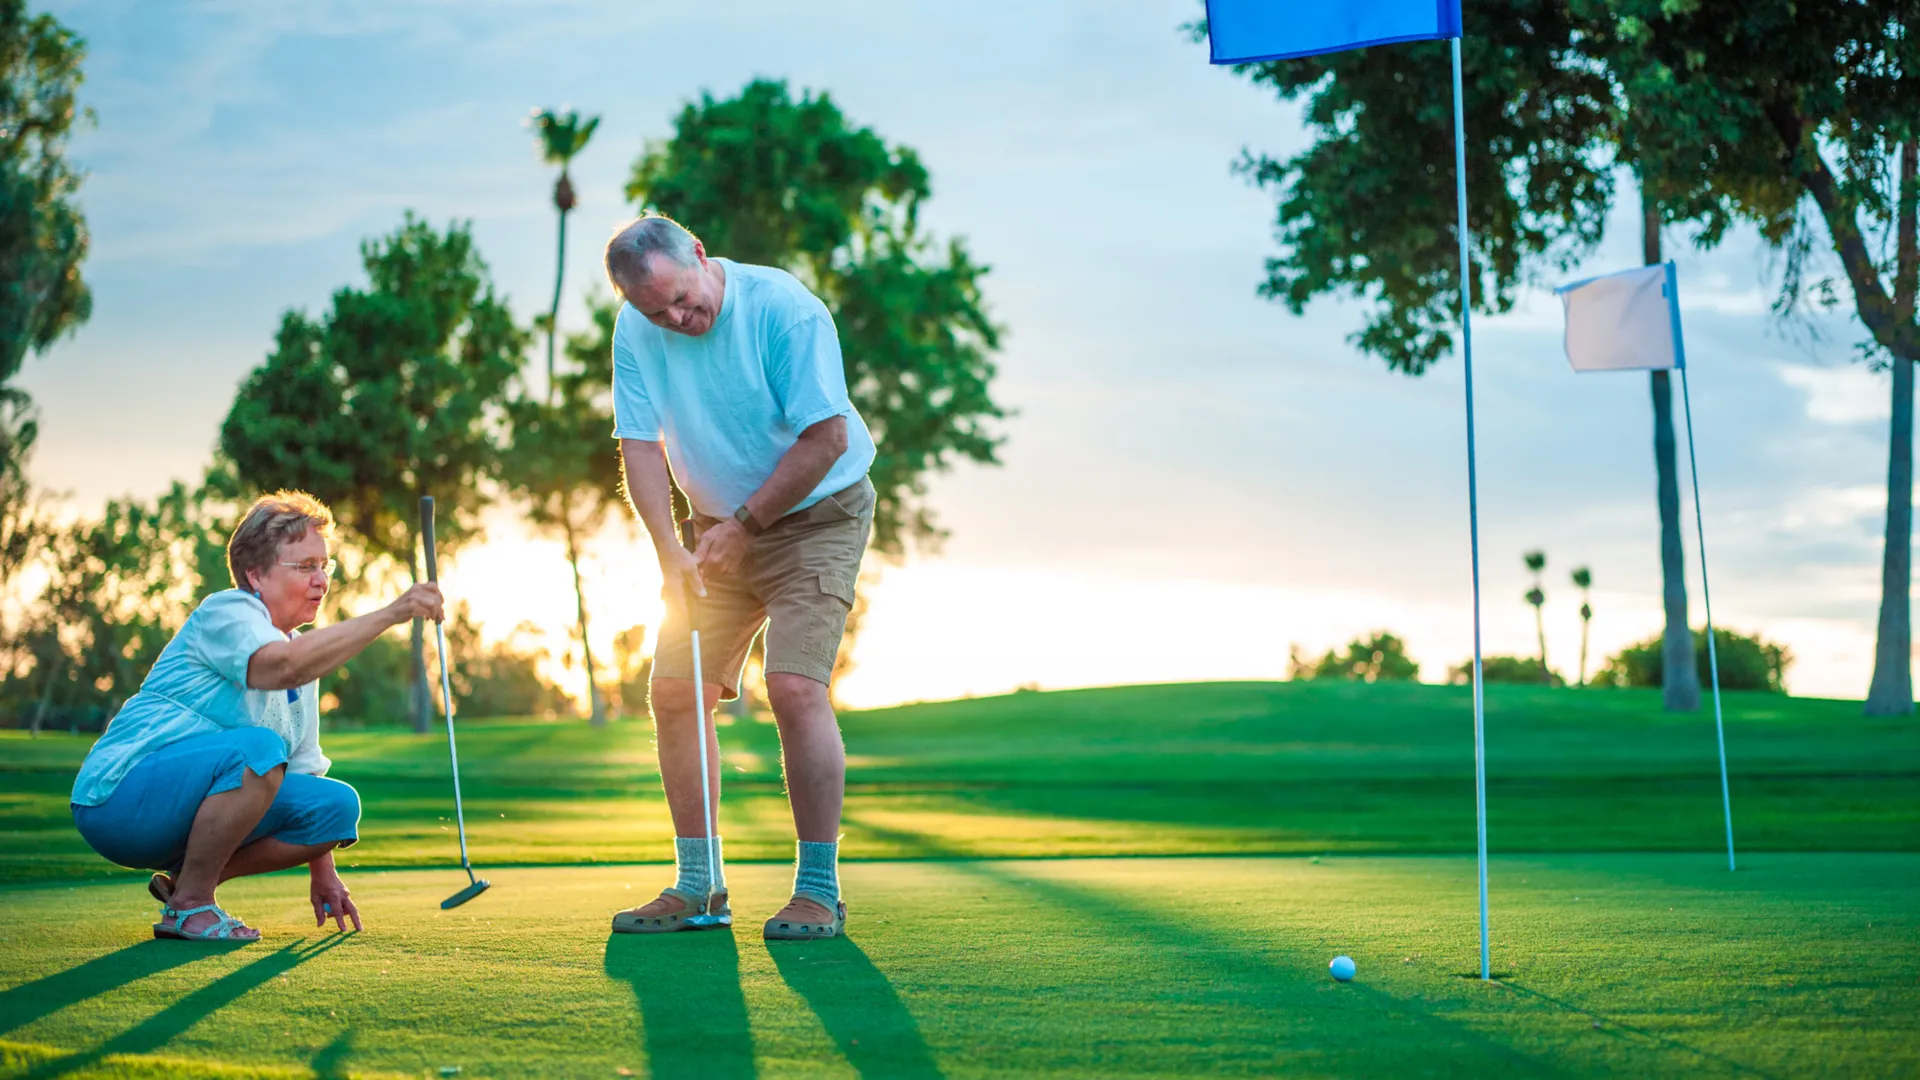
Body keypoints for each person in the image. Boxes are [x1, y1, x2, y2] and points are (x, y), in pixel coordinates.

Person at [603, 215, 875, 940]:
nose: (678, 321)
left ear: (699, 252)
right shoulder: (636, 330)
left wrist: (744, 527)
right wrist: (671, 554)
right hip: (716, 530)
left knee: (792, 686)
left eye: (683, 301)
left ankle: (818, 891)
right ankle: (700, 886)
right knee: (672, 690)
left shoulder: (785, 310)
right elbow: (641, 447)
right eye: (658, 313)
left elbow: (828, 439)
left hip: (819, 516)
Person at [69, 491, 444, 942]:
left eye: (325, 566)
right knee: (259, 747)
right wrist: (394, 612)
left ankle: (185, 885)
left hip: (183, 813)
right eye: (305, 566)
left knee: (335, 807)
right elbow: (279, 668)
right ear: (255, 575)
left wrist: (322, 872)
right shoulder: (227, 611)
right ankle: (191, 906)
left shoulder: (300, 657)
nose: (321, 581)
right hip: (119, 801)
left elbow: (303, 766)